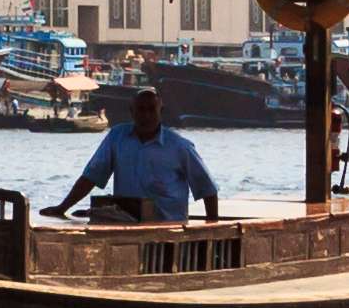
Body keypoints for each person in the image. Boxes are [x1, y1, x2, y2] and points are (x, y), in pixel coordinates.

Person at [45, 86, 219, 223]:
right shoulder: (116, 137)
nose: (146, 115)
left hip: (167, 227)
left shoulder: (180, 147)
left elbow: (207, 189)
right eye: (141, 109)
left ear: (161, 111)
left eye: (151, 109)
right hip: (127, 223)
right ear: (131, 111)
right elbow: (91, 177)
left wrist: (213, 229)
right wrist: (62, 208)